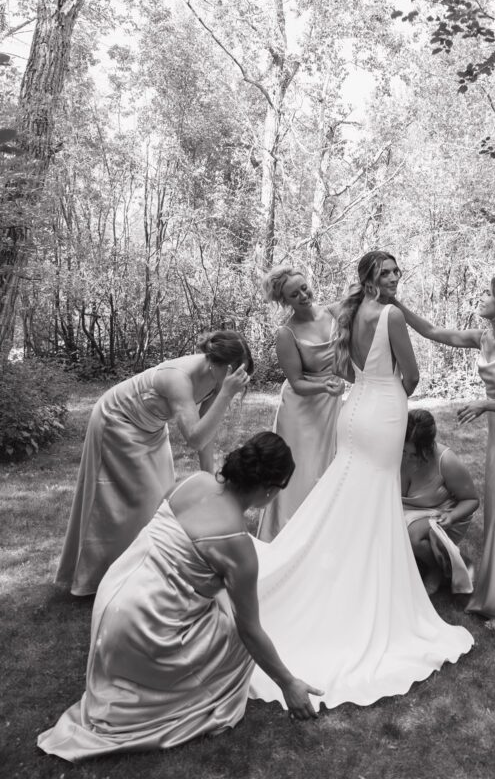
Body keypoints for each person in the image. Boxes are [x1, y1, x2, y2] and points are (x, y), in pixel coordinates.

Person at [248, 250, 473, 710]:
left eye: (396, 270)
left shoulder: (349, 311)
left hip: (352, 408)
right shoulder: (389, 314)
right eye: (385, 271)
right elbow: (411, 375)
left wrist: (370, 388)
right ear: (370, 276)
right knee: (372, 497)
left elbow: (348, 369)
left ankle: (333, 571)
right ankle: (364, 588)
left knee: (350, 493)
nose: (394, 276)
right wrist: (390, 393)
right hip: (383, 409)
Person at [38, 433, 322, 761]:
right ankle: (187, 703)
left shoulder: (195, 482)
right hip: (140, 625)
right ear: (270, 490)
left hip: (112, 596)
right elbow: (251, 631)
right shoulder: (238, 546)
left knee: (216, 608)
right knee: (238, 642)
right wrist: (288, 683)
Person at [393, 270, 495, 636]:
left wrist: (487, 404)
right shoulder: (482, 338)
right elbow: (433, 332)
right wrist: (397, 305)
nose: (481, 298)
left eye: (489, 295)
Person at [56, 330, 253, 596]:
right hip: (117, 421)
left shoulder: (217, 378)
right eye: (232, 371)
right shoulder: (177, 378)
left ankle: (145, 572)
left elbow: (206, 432)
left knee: (162, 500)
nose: (236, 379)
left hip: (152, 427)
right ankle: (106, 578)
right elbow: (194, 438)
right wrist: (227, 395)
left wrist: (211, 480)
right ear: (212, 362)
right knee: (137, 501)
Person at [258, 266, 345, 541]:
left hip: (330, 403)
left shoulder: (334, 313)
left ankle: (323, 535)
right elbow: (296, 382)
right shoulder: (287, 333)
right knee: (300, 470)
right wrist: (324, 386)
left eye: (304, 288)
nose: (304, 296)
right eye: (294, 295)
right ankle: (286, 536)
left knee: (329, 466)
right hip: (301, 407)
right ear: (285, 301)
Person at [401, 408, 479, 595]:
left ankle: (437, 570)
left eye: (415, 454)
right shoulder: (397, 451)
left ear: (429, 447)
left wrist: (452, 516)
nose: (408, 458)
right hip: (407, 510)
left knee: (412, 536)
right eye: (405, 451)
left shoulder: (446, 460)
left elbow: (472, 500)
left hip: (441, 512)